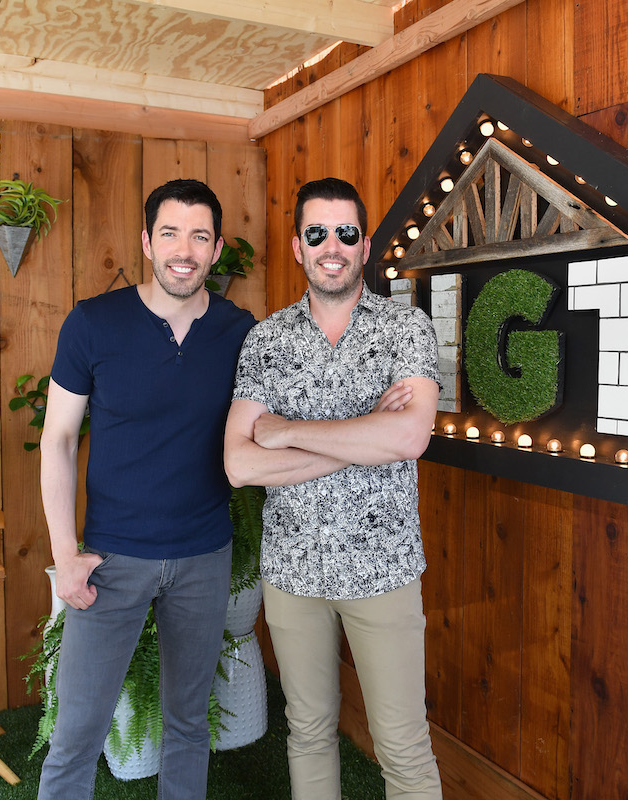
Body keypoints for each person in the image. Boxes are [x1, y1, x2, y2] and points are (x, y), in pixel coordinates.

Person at [224, 177, 443, 799]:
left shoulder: (406, 328)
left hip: (384, 570)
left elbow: (407, 440)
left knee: (403, 746)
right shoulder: (267, 340)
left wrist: (288, 431)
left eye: (346, 232)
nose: (332, 246)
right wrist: (363, 430)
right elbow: (239, 464)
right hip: (292, 572)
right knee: (309, 731)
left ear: (365, 244)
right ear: (298, 247)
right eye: (316, 233)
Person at [37, 179, 256, 800]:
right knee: (77, 731)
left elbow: (282, 414)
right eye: (169, 233)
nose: (183, 249)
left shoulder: (242, 333)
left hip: (204, 557)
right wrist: (64, 556)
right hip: (111, 561)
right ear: (147, 242)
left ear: (216, 250)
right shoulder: (93, 324)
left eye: (199, 235)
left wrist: (374, 408)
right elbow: (57, 441)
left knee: (188, 726)